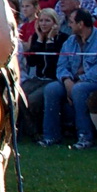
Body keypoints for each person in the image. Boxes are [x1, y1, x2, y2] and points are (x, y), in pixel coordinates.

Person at [41, 9, 97, 148]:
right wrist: (66, 80)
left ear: (81, 24)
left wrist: (78, 80)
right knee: (51, 89)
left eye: (71, 22)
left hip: (90, 82)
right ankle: (50, 136)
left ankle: (85, 137)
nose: (69, 25)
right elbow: (61, 64)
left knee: (79, 90)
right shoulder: (70, 41)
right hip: (71, 81)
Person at [19, 8, 63, 139]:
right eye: (41, 21)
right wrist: (39, 39)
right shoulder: (36, 38)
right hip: (37, 78)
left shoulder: (62, 39)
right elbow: (32, 62)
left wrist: (50, 41)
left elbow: (52, 63)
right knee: (19, 95)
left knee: (32, 100)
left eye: (47, 21)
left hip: (53, 79)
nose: (43, 24)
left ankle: (36, 132)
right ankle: (29, 131)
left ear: (55, 23)